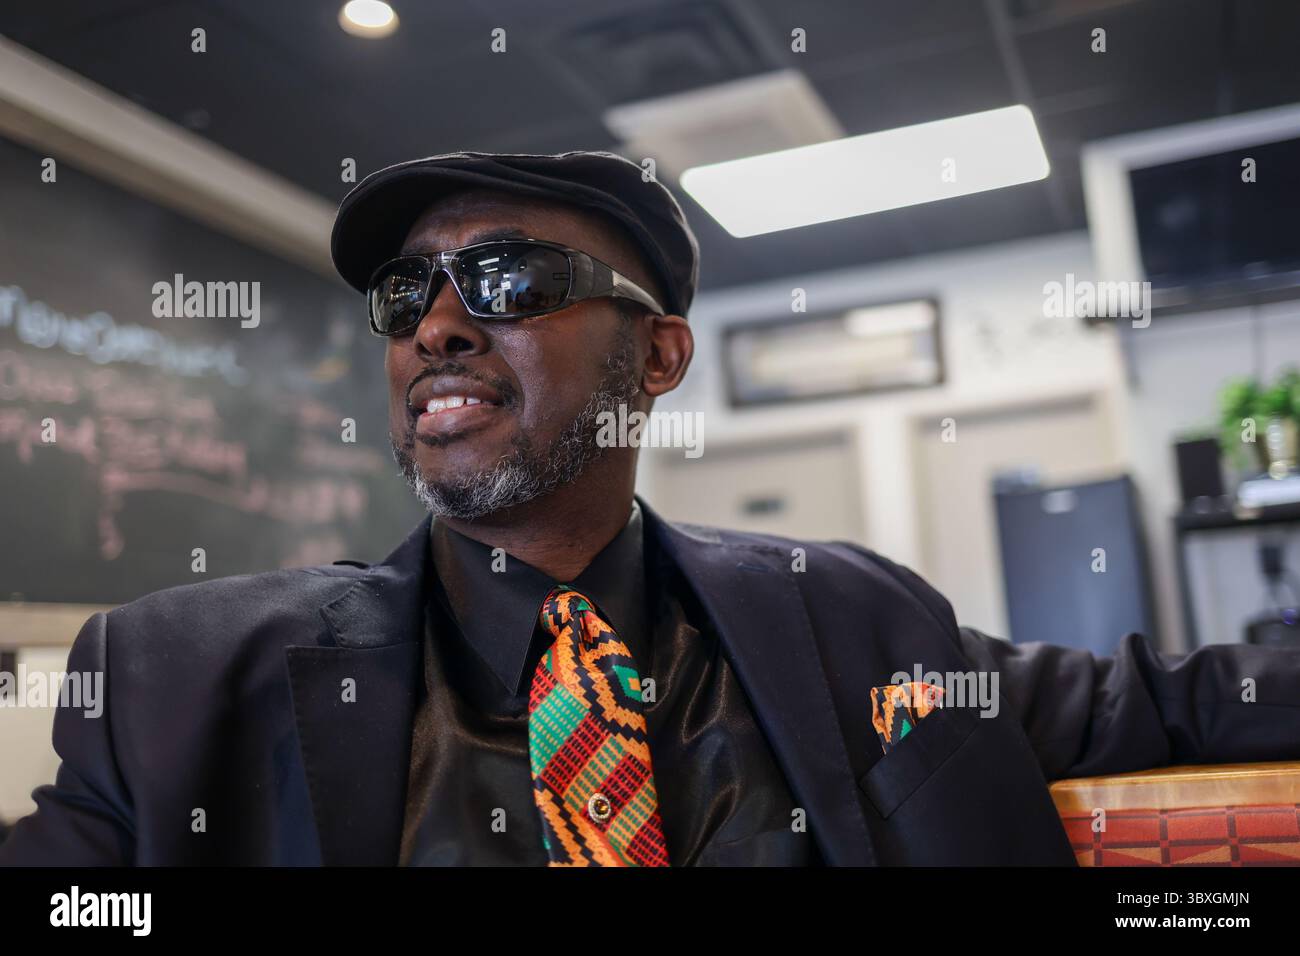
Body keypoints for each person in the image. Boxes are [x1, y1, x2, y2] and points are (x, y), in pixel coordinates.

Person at [3, 150, 1298, 866]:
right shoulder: (180, 678)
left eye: (508, 279)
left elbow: (1165, 701)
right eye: (408, 297)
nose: (440, 325)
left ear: (658, 357)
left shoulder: (850, 622)